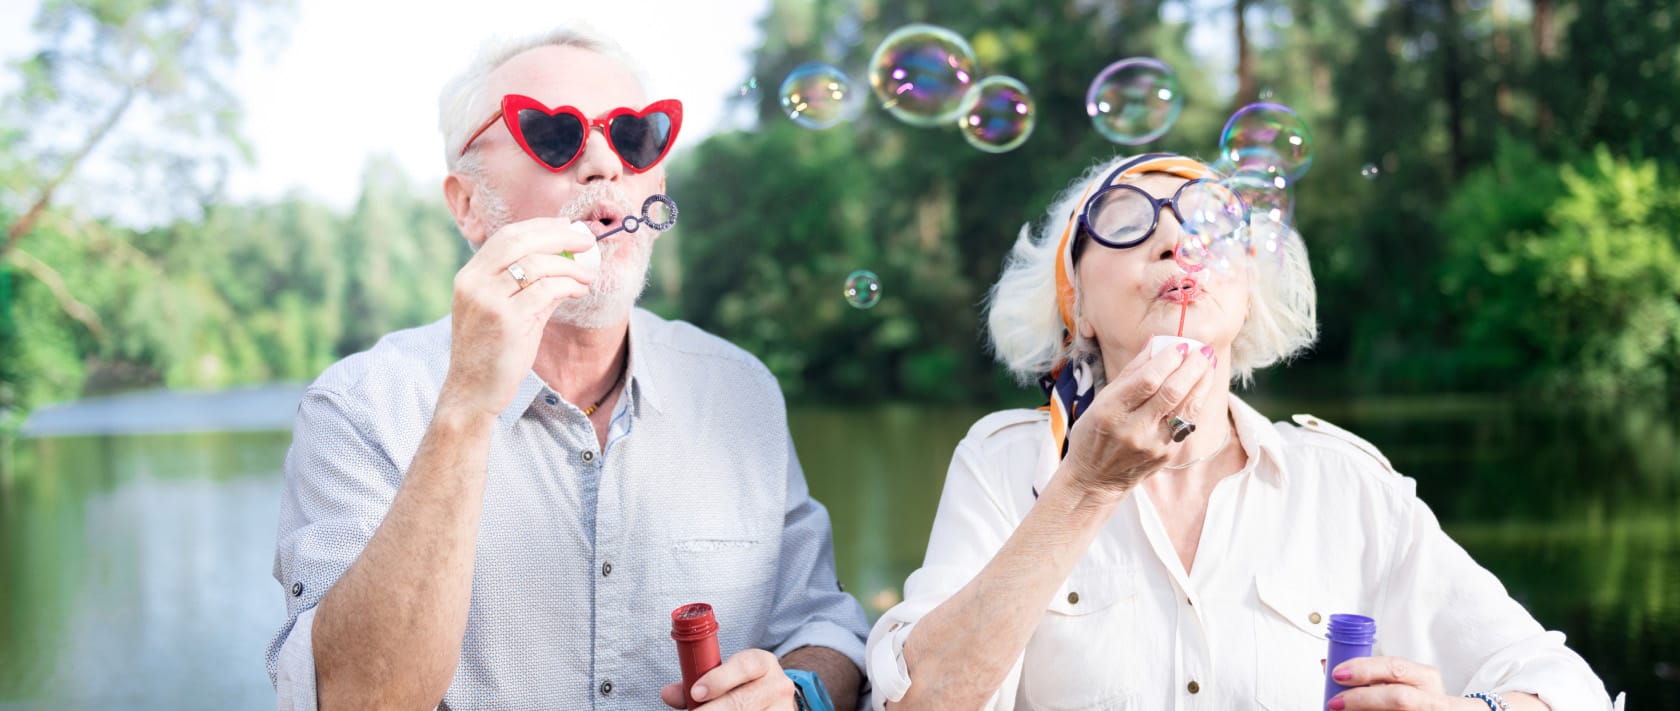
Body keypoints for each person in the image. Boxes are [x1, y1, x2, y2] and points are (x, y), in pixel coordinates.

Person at [863, 153, 1615, 710]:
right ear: (1077, 307)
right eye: (1125, 223)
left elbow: (1564, 686)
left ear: (1248, 290)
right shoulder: (1006, 465)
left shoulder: (1342, 484)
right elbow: (919, 701)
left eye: (1211, 222)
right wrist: (1085, 486)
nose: (1174, 241)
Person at [266, 24, 867, 711]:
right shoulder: (360, 405)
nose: (605, 162)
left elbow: (827, 626)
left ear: (655, 185)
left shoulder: (740, 390)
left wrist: (796, 690)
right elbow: (356, 698)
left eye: (635, 135)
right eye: (554, 134)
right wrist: (463, 410)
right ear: (467, 204)